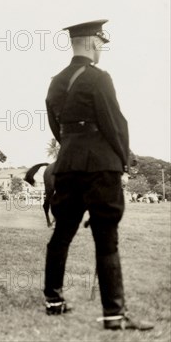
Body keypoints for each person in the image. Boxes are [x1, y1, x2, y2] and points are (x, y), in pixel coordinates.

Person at [43, 19, 153, 331]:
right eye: (101, 44)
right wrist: (125, 161)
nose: (102, 49)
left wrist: (70, 149)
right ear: (93, 42)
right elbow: (114, 122)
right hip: (100, 167)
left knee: (61, 233)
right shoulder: (99, 78)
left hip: (66, 165)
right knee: (106, 239)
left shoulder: (55, 81)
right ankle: (114, 314)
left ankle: (53, 300)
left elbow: (56, 125)